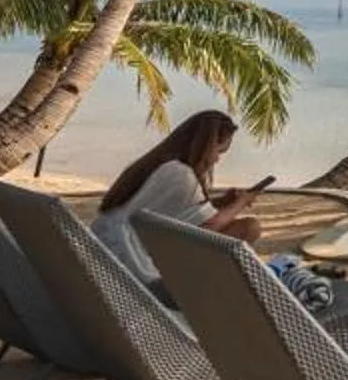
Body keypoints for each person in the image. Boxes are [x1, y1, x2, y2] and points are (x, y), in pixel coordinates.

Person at [91, 110, 264, 286]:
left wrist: (223, 202)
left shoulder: (161, 164)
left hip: (107, 245)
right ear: (206, 146)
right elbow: (210, 225)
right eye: (219, 151)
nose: (217, 160)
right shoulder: (181, 175)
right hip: (131, 261)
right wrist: (241, 202)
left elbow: (177, 211)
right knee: (250, 228)